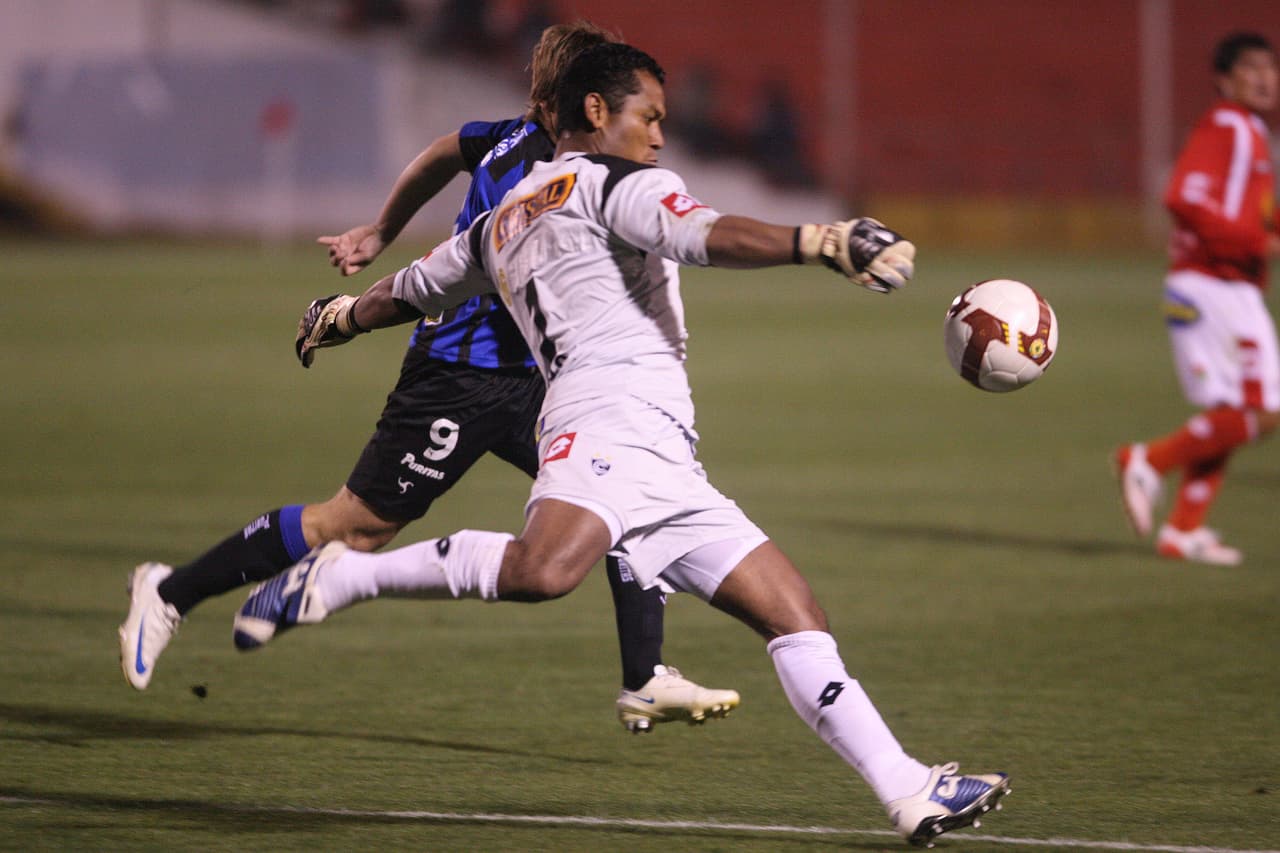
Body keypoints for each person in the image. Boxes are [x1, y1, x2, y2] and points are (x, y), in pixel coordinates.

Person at [234, 42, 1009, 846]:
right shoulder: (618, 183)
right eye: (650, 116)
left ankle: (909, 789)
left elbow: (412, 289)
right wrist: (820, 241)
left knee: (795, 613)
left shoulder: (503, 215)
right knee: (544, 570)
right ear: (596, 113)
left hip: (665, 454)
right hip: (604, 423)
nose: (661, 137)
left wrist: (339, 317)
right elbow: (706, 234)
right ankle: (347, 574)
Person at [118, 22, 739, 735]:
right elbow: (487, 253)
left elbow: (443, 152)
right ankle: (168, 589)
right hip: (460, 374)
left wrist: (382, 227)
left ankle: (645, 675)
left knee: (624, 496)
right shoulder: (534, 170)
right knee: (352, 526)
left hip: (538, 382)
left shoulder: (519, 141)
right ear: (578, 105)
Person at [1115, 31, 1280, 565]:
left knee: (1231, 411)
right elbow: (1182, 195)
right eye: (1250, 68)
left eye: (1269, 68)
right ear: (1224, 80)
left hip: (1221, 283)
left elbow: (1251, 209)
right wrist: (1259, 242)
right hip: (1215, 284)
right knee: (1264, 408)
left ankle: (1184, 529)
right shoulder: (1230, 124)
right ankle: (1148, 459)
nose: (1263, 78)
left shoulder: (1251, 131)